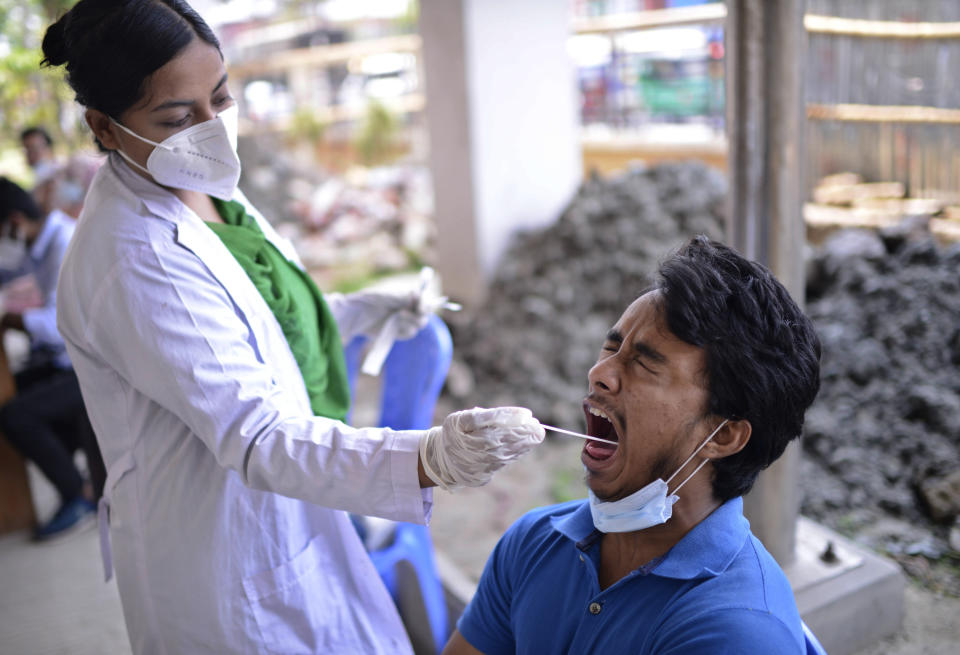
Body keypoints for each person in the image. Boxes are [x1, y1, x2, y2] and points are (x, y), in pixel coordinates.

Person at [42, 2, 544, 653]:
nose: (211, 128)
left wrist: (358, 308)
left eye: (220, 97)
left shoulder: (205, 185)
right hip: (225, 555)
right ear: (104, 129)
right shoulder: (133, 259)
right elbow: (256, 436)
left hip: (292, 519)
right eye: (177, 117)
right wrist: (427, 457)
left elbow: (259, 323)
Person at [444, 236, 822, 655]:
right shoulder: (534, 541)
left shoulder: (736, 632)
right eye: (611, 347)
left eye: (643, 363)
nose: (600, 373)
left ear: (724, 435)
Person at [0, 177, 103, 540]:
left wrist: (9, 318)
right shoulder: (42, 241)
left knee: (16, 414)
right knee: (16, 389)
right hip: (69, 359)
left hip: (94, 366)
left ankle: (78, 495)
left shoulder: (64, 242)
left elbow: (58, 325)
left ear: (13, 221)